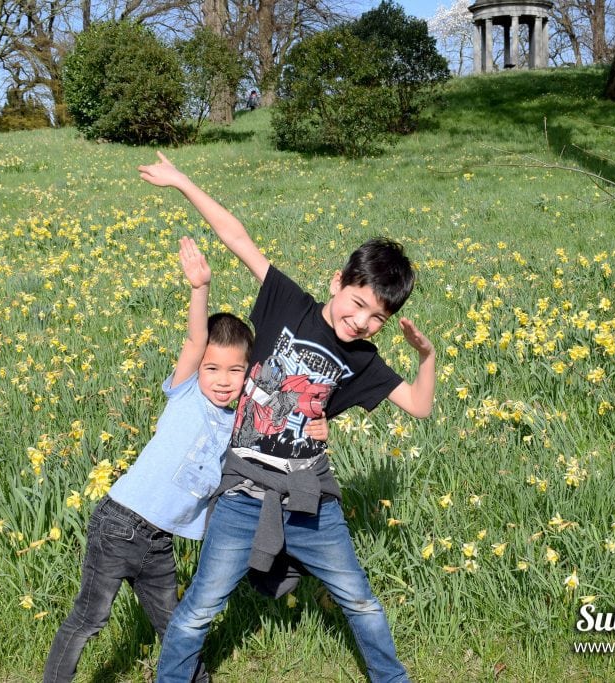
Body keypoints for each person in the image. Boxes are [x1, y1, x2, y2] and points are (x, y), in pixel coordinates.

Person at [138, 152, 436, 683]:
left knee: (361, 602)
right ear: (337, 280)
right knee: (200, 610)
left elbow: (418, 405)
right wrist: (183, 182)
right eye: (357, 302)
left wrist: (426, 357)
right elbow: (237, 237)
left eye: (377, 318)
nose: (362, 321)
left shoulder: (363, 359)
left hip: (311, 503)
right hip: (242, 495)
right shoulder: (287, 303)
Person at [43, 236, 330, 683]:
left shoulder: (242, 423)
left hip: (160, 542)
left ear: (248, 373)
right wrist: (200, 288)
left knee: (176, 626)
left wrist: (319, 424)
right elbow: (198, 338)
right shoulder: (186, 395)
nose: (222, 380)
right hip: (119, 524)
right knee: (89, 619)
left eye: (236, 370)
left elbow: (291, 410)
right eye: (213, 369)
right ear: (197, 370)